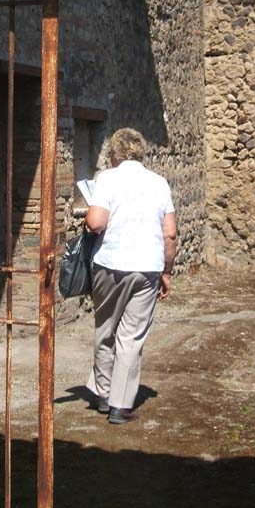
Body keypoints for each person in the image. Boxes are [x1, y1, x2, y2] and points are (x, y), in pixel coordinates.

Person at [84, 127, 177, 425]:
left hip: (110, 264)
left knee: (105, 328)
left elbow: (96, 222)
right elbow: (170, 233)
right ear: (141, 153)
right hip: (147, 267)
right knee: (131, 336)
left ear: (114, 154)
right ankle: (120, 406)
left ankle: (101, 393)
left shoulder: (108, 178)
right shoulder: (160, 183)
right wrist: (167, 272)